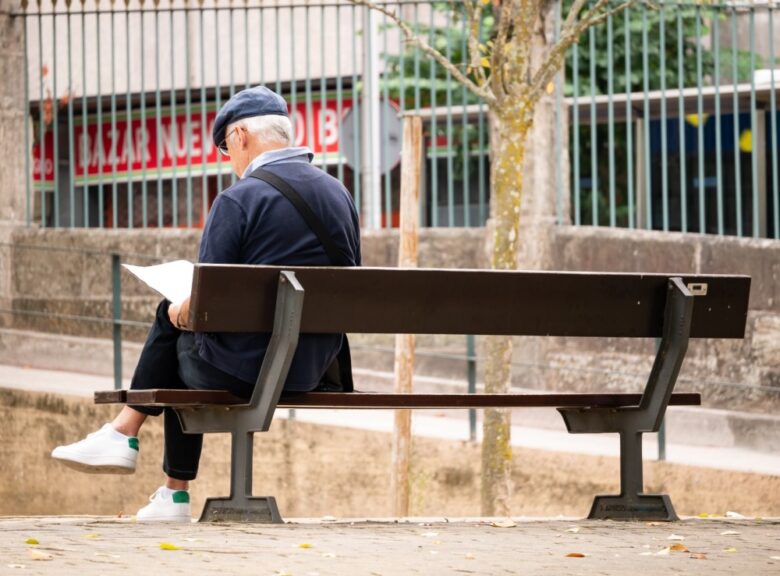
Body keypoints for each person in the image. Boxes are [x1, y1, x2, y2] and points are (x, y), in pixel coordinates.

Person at [51, 86, 361, 522]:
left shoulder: (238, 199)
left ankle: (139, 450)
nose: (228, 158)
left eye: (224, 146)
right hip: (311, 369)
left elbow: (208, 303)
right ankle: (157, 480)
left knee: (175, 329)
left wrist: (179, 309)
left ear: (240, 137)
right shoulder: (339, 195)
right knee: (182, 337)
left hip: (246, 372)